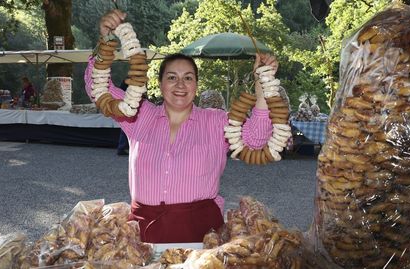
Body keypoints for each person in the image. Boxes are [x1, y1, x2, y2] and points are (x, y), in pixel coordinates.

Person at [84, 9, 278, 243]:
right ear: (160, 83)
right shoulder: (139, 114)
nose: (180, 85)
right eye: (172, 77)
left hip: (202, 230)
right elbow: (98, 90)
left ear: (196, 84)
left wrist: (261, 90)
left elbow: (256, 140)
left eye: (188, 77)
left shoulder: (217, 121)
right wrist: (105, 40)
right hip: (144, 229)